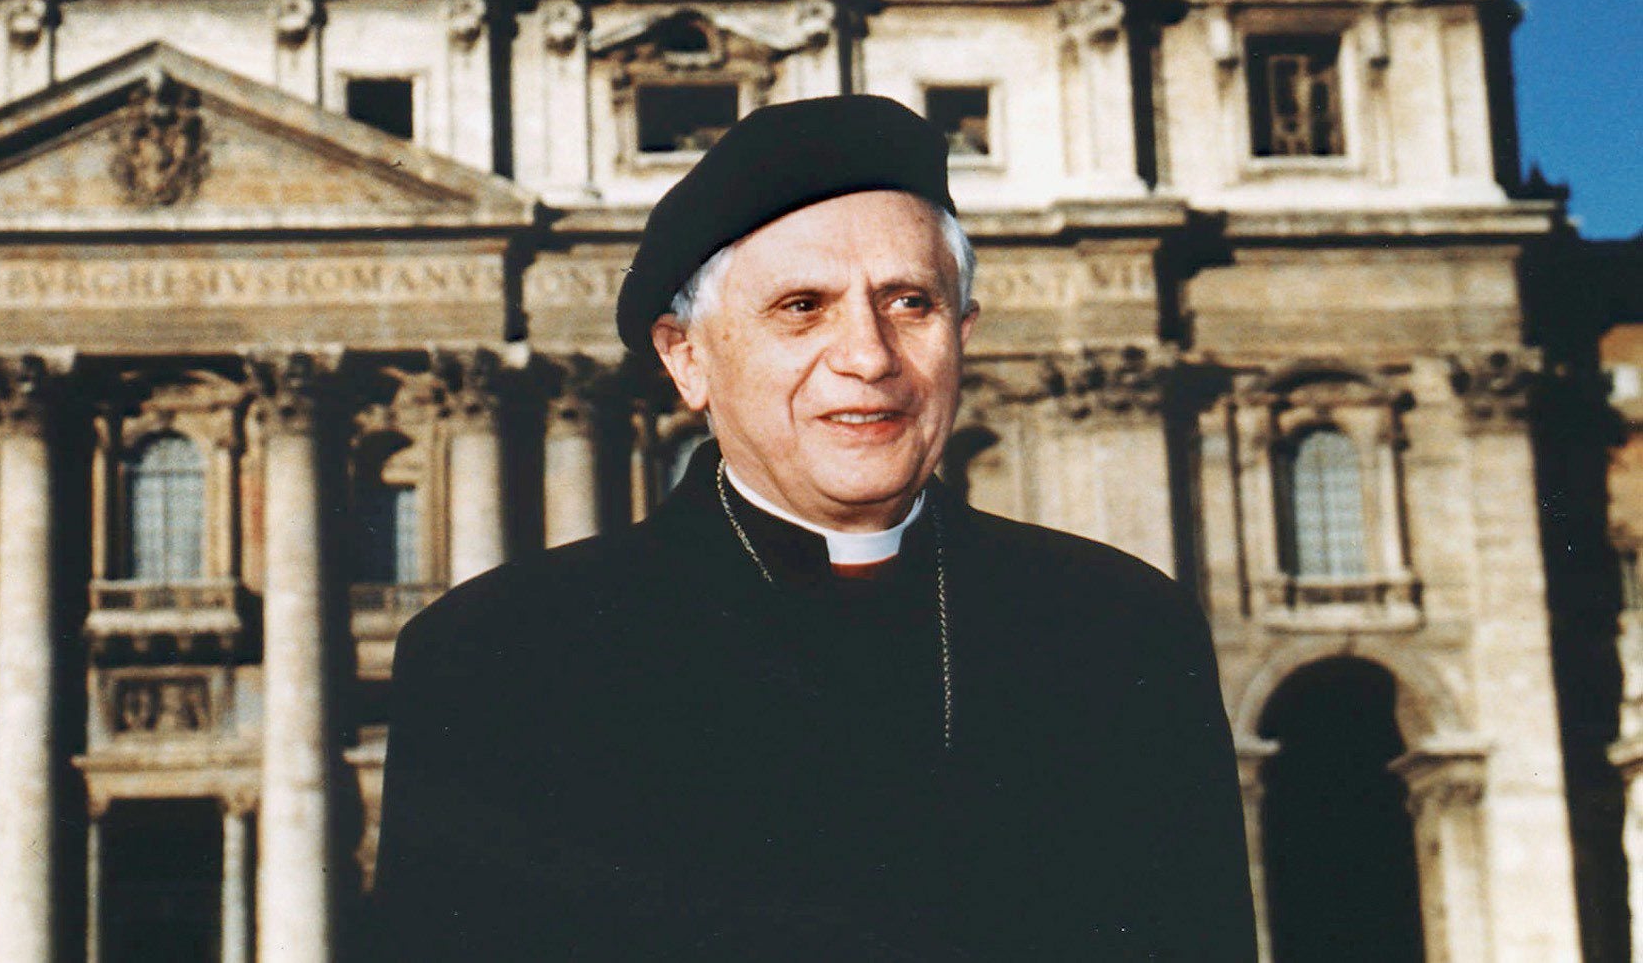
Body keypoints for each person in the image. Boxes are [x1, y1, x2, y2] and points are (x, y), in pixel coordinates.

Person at [369, 94, 1255, 961]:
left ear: (964, 333)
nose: (868, 355)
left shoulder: (1127, 631)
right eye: (803, 306)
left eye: (909, 302)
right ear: (688, 357)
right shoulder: (496, 658)